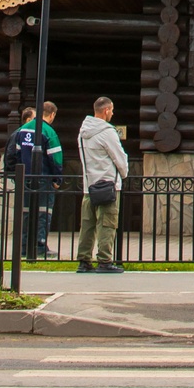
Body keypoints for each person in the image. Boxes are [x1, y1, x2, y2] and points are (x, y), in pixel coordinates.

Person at [77, 96, 128, 274]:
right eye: (112, 110)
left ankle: (83, 260)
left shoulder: (83, 132)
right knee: (107, 223)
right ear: (106, 110)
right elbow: (119, 157)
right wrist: (123, 174)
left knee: (87, 223)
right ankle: (104, 260)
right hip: (107, 183)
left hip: (89, 184)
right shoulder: (107, 132)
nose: (113, 113)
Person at [6, 100, 63, 260]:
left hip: (25, 178)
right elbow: (55, 158)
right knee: (43, 212)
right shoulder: (48, 131)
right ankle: (39, 245)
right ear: (52, 115)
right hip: (44, 179)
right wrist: (57, 178)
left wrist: (16, 175)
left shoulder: (21, 130)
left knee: (26, 213)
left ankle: (24, 246)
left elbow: (13, 154)